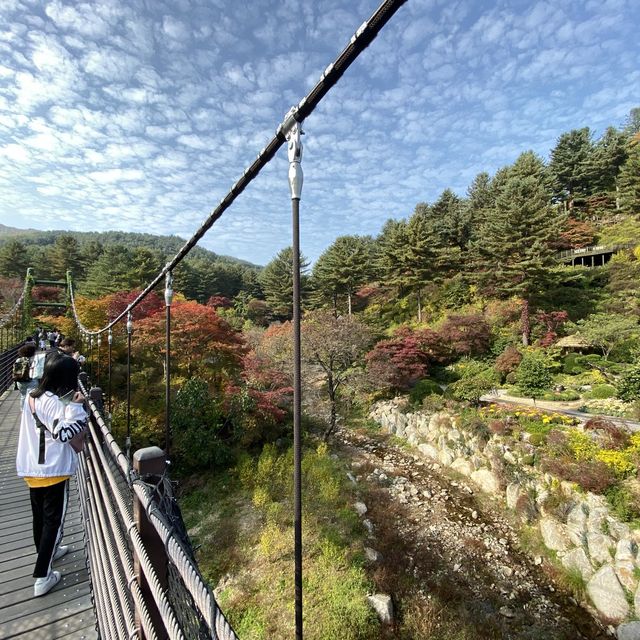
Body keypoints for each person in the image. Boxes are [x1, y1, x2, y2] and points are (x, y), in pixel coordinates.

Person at [16, 353, 88, 597]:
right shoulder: (54, 403)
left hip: (33, 467)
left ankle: (50, 551)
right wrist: (77, 408)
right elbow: (65, 433)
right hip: (53, 469)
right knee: (53, 522)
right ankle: (42, 576)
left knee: (40, 518)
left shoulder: (32, 397)